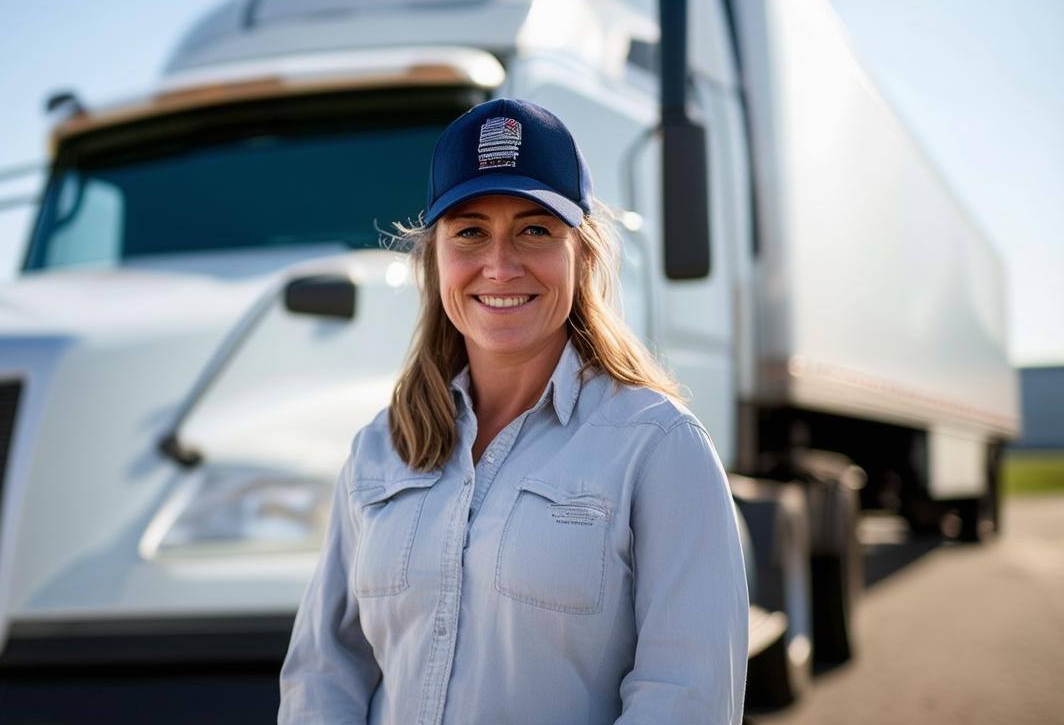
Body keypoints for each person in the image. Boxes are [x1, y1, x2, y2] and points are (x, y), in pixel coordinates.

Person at [278, 98, 748, 724]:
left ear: (582, 256)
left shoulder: (658, 447)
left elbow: (686, 695)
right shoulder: (380, 449)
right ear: (433, 256)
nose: (500, 266)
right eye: (470, 231)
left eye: (535, 230)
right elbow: (324, 670)